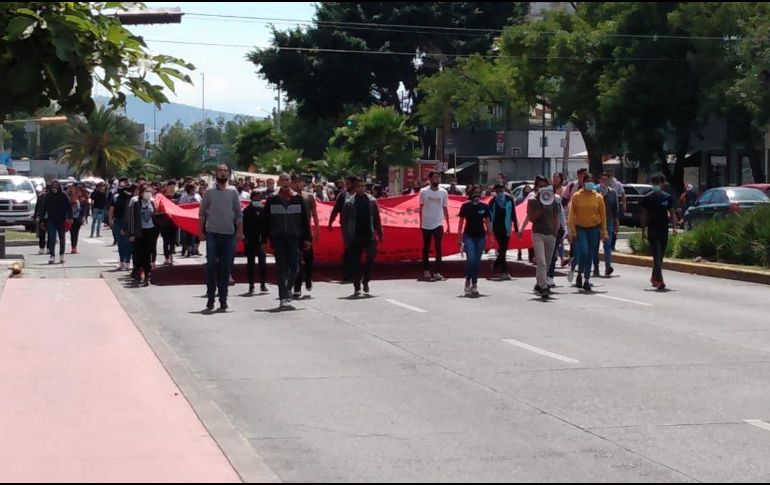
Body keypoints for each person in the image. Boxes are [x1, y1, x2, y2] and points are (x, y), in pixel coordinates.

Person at [262, 173, 312, 309]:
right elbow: (265, 221)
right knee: (281, 268)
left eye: (287, 180)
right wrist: (264, 239)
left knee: (295, 267)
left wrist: (307, 238)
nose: (285, 182)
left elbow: (304, 220)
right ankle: (283, 296)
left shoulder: (298, 199)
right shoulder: (272, 200)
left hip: (294, 238)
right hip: (278, 238)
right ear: (279, 182)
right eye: (283, 180)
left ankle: (288, 288)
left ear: (290, 182)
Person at [199, 164, 244, 311]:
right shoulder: (209, 192)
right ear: (216, 173)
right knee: (211, 264)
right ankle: (210, 298)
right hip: (212, 233)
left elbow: (238, 213)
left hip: (229, 234)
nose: (223, 173)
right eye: (220, 171)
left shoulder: (233, 191)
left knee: (225, 268)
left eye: (225, 171)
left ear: (228, 174)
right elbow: (202, 213)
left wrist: (239, 231)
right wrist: (201, 231)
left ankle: (223, 299)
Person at [341, 178, 383, 296]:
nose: (360, 188)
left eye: (362, 186)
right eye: (358, 186)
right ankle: (357, 285)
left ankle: (366, 280)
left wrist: (379, 233)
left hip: (369, 235)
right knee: (355, 262)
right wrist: (346, 238)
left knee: (371, 259)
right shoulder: (349, 202)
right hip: (354, 237)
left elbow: (377, 219)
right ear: (355, 188)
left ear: (365, 188)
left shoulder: (372, 201)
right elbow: (344, 221)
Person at [567, 173, 608, 292]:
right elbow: (571, 215)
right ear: (583, 183)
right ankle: (579, 272)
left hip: (594, 228)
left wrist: (604, 231)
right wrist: (572, 231)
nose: (589, 183)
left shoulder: (598, 197)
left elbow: (603, 215)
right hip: (581, 228)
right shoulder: (577, 196)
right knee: (583, 252)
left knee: (590, 254)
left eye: (591, 181)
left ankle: (586, 279)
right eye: (587, 181)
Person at [641, 174, 678, 290]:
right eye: (654, 183)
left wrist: (675, 227)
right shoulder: (647, 197)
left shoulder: (667, 197)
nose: (656, 185)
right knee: (656, 255)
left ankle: (654, 277)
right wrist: (643, 229)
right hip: (653, 229)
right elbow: (644, 214)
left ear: (662, 184)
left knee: (660, 256)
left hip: (664, 229)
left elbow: (672, 213)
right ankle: (660, 280)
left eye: (658, 183)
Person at [524, 176, 559, 297]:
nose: (543, 188)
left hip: (550, 234)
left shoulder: (553, 200)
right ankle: (544, 286)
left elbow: (555, 216)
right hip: (538, 233)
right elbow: (532, 218)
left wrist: (556, 232)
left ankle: (539, 284)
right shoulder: (533, 200)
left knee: (548, 263)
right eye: (540, 186)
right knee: (542, 262)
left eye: (545, 185)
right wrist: (541, 205)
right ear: (536, 187)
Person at [458, 185, 492, 296]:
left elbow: (487, 221)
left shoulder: (484, 206)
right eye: (475, 193)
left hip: (480, 236)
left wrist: (490, 236)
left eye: (479, 193)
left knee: (477, 261)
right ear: (471, 194)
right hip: (469, 236)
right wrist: (459, 237)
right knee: (471, 259)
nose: (477, 195)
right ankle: (468, 280)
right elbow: (461, 221)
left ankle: (474, 284)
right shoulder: (466, 206)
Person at [292, 174, 320, 298]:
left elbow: (314, 214)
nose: (298, 184)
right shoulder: (289, 197)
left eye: (300, 182)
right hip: (293, 232)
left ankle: (308, 279)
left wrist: (317, 230)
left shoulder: (308, 197)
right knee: (296, 261)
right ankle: (297, 287)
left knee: (309, 259)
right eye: (295, 182)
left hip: (306, 231)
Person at [420, 171, 450, 281]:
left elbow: (445, 208)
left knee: (438, 246)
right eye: (434, 177)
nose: (437, 179)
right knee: (426, 247)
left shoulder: (443, 192)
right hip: (426, 223)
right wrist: (420, 222)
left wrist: (448, 223)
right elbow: (421, 207)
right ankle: (426, 270)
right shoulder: (423, 192)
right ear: (430, 179)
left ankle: (438, 272)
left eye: (438, 177)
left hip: (438, 223)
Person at [127, 184, 159, 287]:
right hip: (139, 232)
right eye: (146, 192)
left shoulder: (153, 202)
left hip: (150, 231)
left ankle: (147, 275)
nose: (148, 194)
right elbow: (131, 219)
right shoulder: (136, 203)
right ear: (141, 193)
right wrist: (132, 233)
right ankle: (138, 271)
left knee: (148, 253)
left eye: (149, 191)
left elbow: (155, 216)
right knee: (138, 254)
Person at [329, 176, 357, 281]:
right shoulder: (343, 196)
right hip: (346, 227)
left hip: (360, 227)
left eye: (349, 183)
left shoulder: (362, 196)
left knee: (356, 250)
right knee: (348, 248)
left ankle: (355, 272)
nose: (346, 184)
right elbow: (336, 209)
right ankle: (348, 273)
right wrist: (330, 222)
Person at [489, 182, 519, 280]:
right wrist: (490, 230)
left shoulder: (509, 199)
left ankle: (497, 264)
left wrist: (516, 227)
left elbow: (513, 214)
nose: (500, 191)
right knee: (502, 249)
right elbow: (489, 216)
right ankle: (504, 271)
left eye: (501, 189)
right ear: (495, 191)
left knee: (503, 249)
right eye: (498, 190)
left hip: (507, 227)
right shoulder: (492, 201)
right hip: (497, 228)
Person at [594, 172, 620, 277]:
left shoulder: (612, 193)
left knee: (608, 246)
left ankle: (608, 267)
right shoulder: (594, 192)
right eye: (602, 180)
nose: (604, 182)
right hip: (595, 223)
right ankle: (596, 267)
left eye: (606, 180)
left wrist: (616, 223)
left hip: (608, 222)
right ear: (599, 180)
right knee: (594, 247)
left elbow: (615, 209)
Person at [243, 190, 268, 294]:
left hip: (261, 240)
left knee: (262, 263)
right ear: (252, 198)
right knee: (251, 263)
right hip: (250, 240)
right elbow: (243, 226)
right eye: (255, 198)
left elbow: (266, 225)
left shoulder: (264, 210)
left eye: (259, 198)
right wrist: (246, 238)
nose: (258, 200)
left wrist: (265, 239)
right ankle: (251, 285)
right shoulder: (247, 211)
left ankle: (263, 284)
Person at [42, 180, 72, 264]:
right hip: (51, 220)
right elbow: (44, 208)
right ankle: (52, 255)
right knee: (52, 238)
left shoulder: (63, 195)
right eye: (53, 186)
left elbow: (69, 206)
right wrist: (42, 220)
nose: (54, 187)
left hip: (61, 220)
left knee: (62, 238)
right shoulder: (48, 196)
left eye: (56, 186)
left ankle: (62, 255)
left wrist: (70, 217)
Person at [109, 180, 134, 270]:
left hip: (129, 222)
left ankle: (128, 261)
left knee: (129, 243)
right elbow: (111, 209)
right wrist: (110, 220)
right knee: (121, 243)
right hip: (118, 221)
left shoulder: (132, 198)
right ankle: (121, 262)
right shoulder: (116, 197)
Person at [179, 183, 202, 257]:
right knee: (189, 235)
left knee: (198, 233)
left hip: (197, 217)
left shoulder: (198, 196)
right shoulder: (185, 197)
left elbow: (202, 204)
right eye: (192, 189)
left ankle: (195, 249)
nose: (194, 190)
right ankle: (188, 250)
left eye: (194, 188)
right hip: (188, 218)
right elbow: (181, 206)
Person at [605, 168, 626, 251]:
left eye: (610, 175)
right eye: (607, 175)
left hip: (614, 207)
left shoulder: (617, 184)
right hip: (604, 207)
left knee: (614, 226)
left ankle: (612, 244)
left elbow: (623, 194)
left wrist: (624, 204)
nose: (609, 177)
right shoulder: (604, 184)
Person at [68, 184, 85, 254]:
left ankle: (75, 247)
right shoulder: (68, 200)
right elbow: (67, 209)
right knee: (72, 233)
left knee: (76, 233)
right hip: (71, 219)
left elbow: (83, 210)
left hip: (78, 219)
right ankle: (73, 247)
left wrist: (83, 218)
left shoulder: (80, 201)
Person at [34, 187, 47, 255]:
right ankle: (47, 248)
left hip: (43, 218)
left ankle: (42, 248)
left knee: (42, 234)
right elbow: (37, 206)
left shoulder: (41, 196)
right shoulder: (42, 196)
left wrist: (35, 215)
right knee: (48, 234)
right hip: (47, 218)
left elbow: (37, 207)